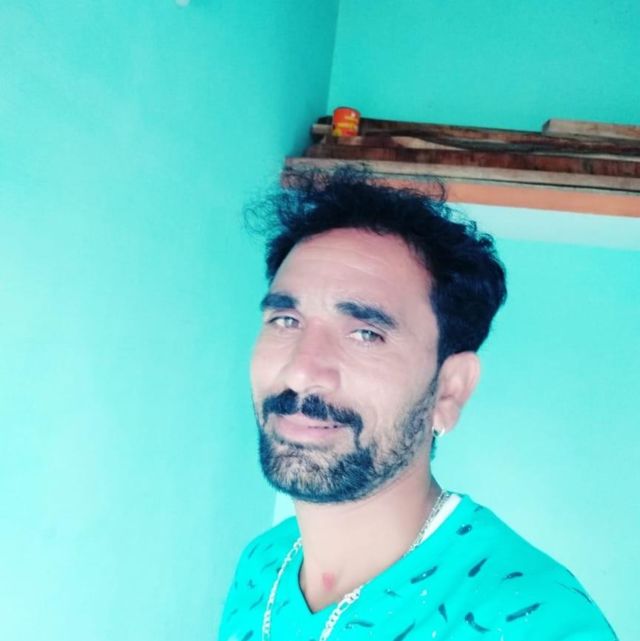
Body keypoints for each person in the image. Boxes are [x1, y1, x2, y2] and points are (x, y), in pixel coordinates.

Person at [219, 169, 617, 641]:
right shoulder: (262, 563)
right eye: (286, 320)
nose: (301, 372)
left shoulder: (537, 621)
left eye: (366, 333)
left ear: (449, 391)